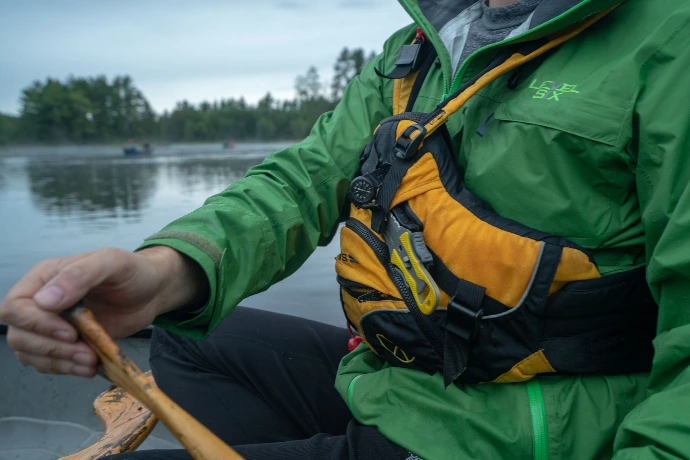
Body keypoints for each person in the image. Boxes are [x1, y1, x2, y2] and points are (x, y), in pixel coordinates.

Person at [2, 0, 690, 458]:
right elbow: (303, 179)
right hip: (404, 384)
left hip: (511, 432)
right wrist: (160, 273)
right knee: (187, 341)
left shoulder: (669, 36)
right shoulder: (418, 49)